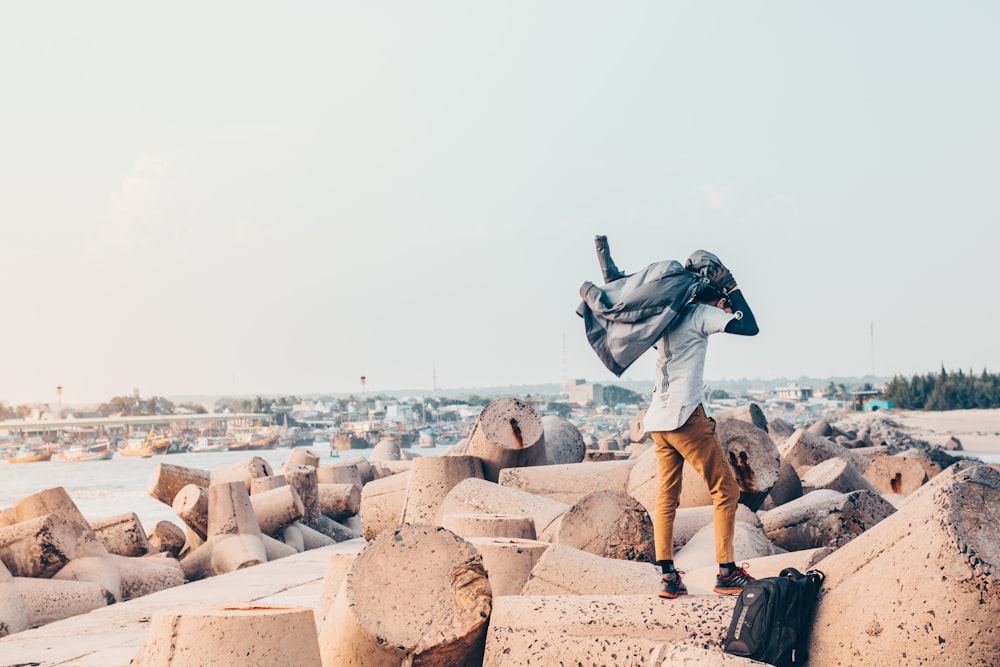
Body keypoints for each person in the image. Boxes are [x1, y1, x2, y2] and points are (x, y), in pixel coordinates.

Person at [641, 251, 760, 599]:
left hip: (658, 419)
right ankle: (726, 572)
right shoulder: (698, 316)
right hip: (686, 416)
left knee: (667, 496)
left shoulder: (666, 317)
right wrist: (732, 291)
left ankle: (667, 576)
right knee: (726, 491)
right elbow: (750, 326)